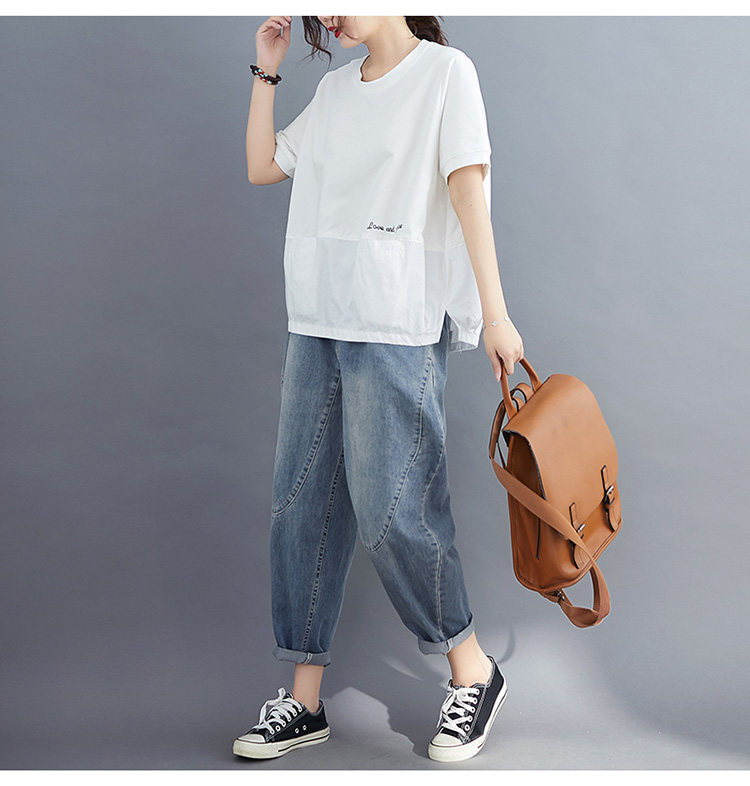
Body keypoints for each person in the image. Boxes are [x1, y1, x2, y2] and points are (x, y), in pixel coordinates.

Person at [235, 15, 524, 763]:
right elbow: (263, 166)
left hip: (397, 321)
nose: (325, 17)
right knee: (301, 507)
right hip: (318, 318)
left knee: (394, 511)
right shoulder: (334, 91)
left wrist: (495, 315)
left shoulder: (446, 74)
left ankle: (473, 668)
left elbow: (468, 191)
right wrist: (267, 68)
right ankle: (304, 700)